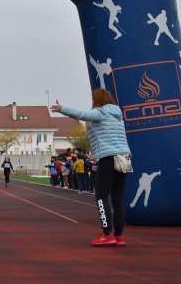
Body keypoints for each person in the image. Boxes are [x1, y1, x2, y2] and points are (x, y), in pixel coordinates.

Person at [51, 88, 132, 246]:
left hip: (108, 158)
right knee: (118, 198)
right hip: (125, 158)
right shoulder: (118, 117)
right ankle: (119, 236)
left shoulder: (101, 113)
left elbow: (82, 114)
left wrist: (62, 109)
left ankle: (107, 233)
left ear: (97, 101)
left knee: (101, 197)